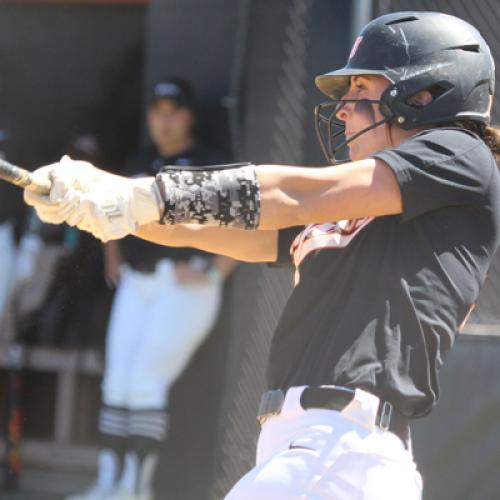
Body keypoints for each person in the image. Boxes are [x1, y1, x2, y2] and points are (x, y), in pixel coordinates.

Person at [24, 11, 500, 499]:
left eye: (359, 89)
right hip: (309, 448)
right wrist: (107, 204)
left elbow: (293, 192)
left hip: (342, 447)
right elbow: (227, 228)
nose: (343, 109)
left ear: (423, 96)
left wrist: (150, 194)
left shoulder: (460, 155)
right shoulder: (366, 208)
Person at [64, 80, 235, 500]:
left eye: (173, 110)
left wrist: (215, 273)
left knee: (144, 382)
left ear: (189, 115)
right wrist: (112, 256)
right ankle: (108, 484)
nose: (164, 119)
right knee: (117, 382)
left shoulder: (211, 162)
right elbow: (111, 208)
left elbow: (246, 223)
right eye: (156, 110)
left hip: (183, 282)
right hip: (137, 282)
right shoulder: (140, 159)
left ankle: (136, 491)